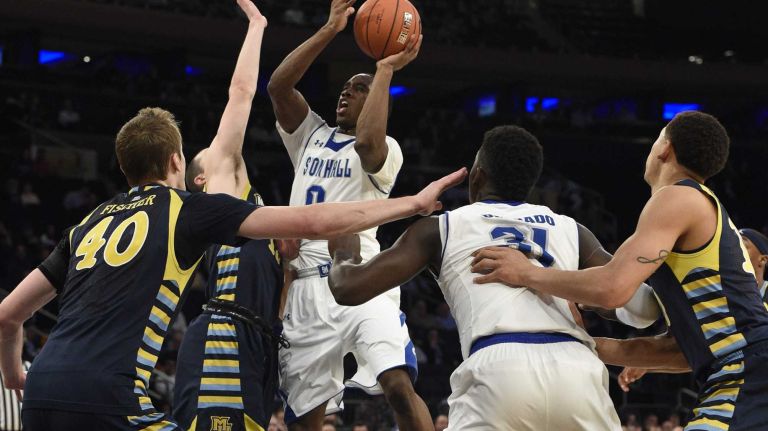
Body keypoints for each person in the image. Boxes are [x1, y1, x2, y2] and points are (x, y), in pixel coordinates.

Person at [0, 104, 465, 431]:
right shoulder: (200, 205)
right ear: (183, 166)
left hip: (49, 386)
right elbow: (315, 213)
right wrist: (412, 202)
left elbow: (7, 316)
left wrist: (15, 376)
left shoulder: (89, 222)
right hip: (219, 336)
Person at [471, 111, 768, 430]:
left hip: (746, 369)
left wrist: (525, 273)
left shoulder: (678, 197)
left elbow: (613, 287)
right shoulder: (700, 209)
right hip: (740, 371)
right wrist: (576, 343)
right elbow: (677, 352)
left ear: (664, 148)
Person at [327, 125, 623, 429]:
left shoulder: (442, 228)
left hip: (498, 369)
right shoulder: (572, 229)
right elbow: (627, 302)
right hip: (578, 370)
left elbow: (348, 288)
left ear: (477, 176)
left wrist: (344, 254)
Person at [266, 0, 431, 429]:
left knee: (396, 384)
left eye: (358, 89)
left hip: (360, 274)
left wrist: (385, 70)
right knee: (307, 420)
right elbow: (279, 88)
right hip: (304, 288)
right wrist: (328, 30)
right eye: (345, 87)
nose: (347, 92)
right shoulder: (310, 135)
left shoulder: (386, 150)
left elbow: (367, 142)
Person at [172, 2, 283, 430]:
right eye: (218, 158)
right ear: (203, 180)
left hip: (256, 339)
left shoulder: (252, 212)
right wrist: (256, 26)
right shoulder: (215, 192)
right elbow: (241, 95)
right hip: (224, 332)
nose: (232, 157)